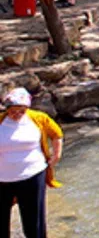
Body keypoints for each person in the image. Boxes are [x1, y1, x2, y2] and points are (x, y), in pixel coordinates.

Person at [0, 88, 62, 238]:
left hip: (33, 175)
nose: (17, 114)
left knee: (34, 220)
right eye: (13, 111)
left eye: (21, 110)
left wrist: (56, 155)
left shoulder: (38, 118)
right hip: (2, 179)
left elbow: (56, 134)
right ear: (7, 109)